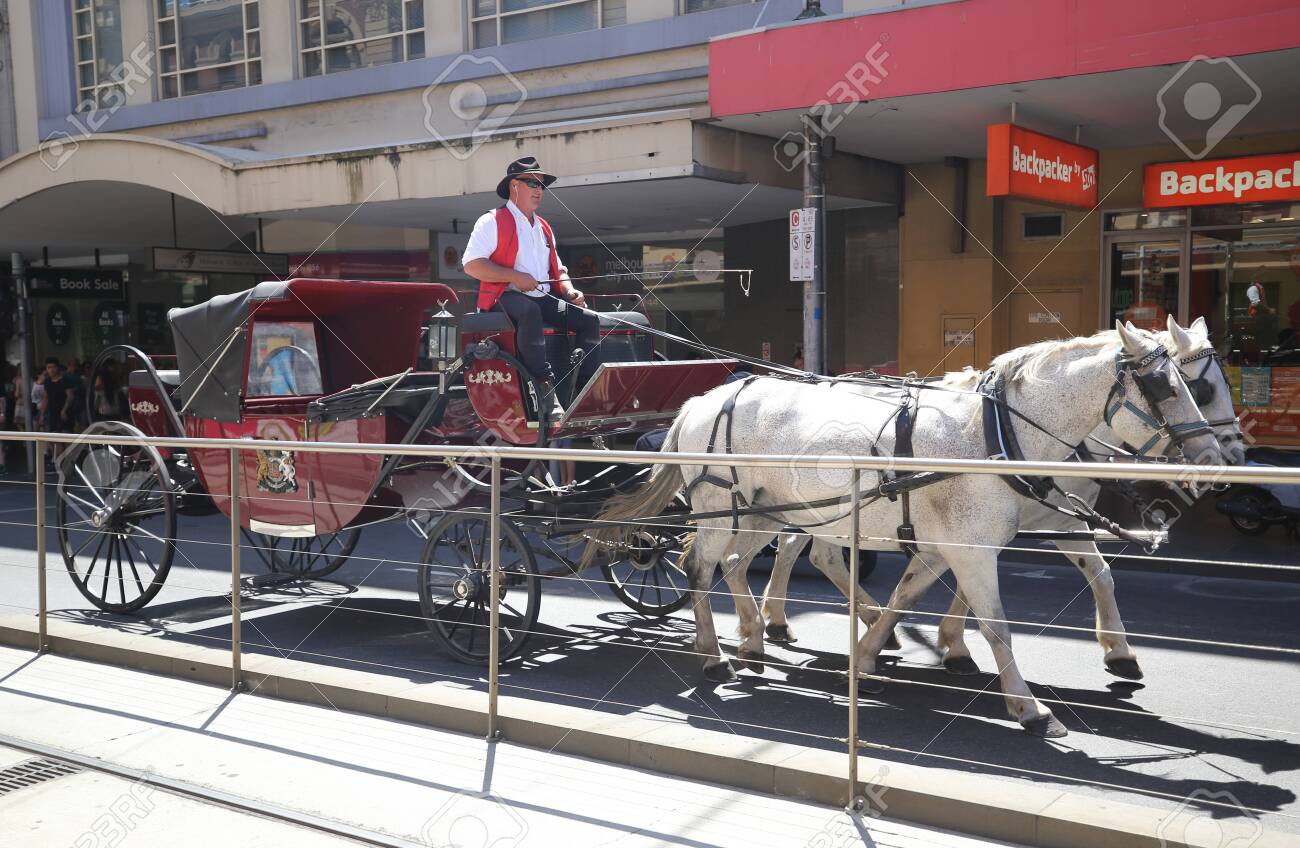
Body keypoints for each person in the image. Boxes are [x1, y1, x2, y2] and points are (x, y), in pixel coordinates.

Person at [461, 156, 601, 420]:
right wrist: (514, 276)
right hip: (503, 298)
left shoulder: (544, 227)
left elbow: (558, 270)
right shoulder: (492, 221)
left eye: (542, 185)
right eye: (532, 183)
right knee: (529, 312)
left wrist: (569, 290)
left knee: (589, 320)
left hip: (541, 297)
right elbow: (471, 265)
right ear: (514, 185)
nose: (539, 190)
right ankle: (544, 387)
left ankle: (585, 391)